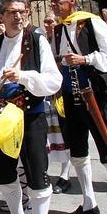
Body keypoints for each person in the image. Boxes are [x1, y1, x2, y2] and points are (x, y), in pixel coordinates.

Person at [0, 0, 62, 214]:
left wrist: (22, 76)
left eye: (22, 11)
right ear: (1, 16)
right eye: (12, 12)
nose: (18, 16)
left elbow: (54, 81)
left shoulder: (36, 39)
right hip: (0, 116)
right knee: (3, 173)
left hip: (30, 115)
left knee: (36, 174)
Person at [50, 0, 107, 214]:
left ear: (72, 2)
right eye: (52, 1)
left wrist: (85, 59)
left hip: (94, 97)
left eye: (57, 1)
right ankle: (88, 203)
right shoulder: (59, 29)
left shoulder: (92, 23)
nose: (53, 5)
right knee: (78, 152)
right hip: (70, 98)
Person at [42, 12, 72, 194]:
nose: (47, 24)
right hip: (47, 94)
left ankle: (65, 174)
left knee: (65, 133)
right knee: (49, 135)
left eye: (50, 21)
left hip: (62, 91)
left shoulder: (63, 38)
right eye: (45, 21)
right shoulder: (43, 39)